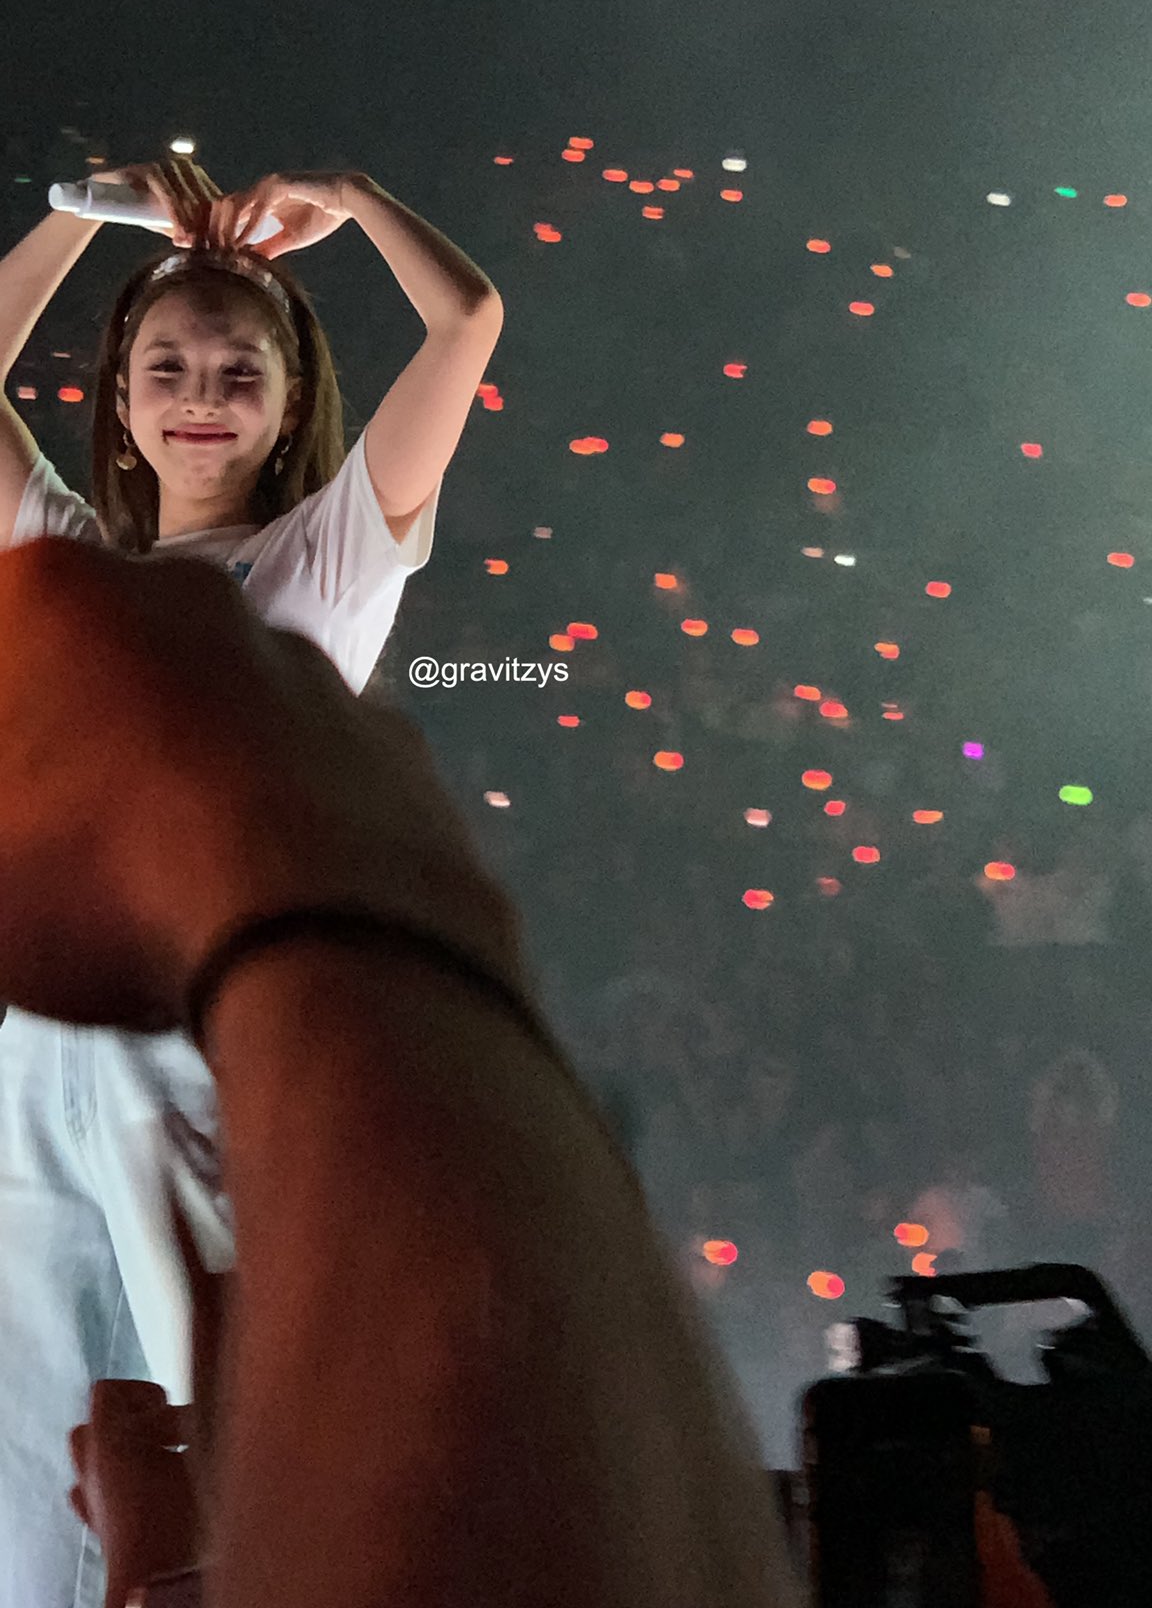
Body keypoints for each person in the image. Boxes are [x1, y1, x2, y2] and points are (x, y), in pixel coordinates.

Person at [0, 535, 802, 1607]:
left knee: (245, 1421)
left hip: (249, 1068)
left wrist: (303, 894)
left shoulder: (308, 580)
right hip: (176, 1063)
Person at [0, 154, 504, 1608]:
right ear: (118, 398)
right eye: (166, 366)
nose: (200, 395)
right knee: (31, 1481)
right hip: (34, 1059)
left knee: (232, 1450)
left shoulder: (326, 560)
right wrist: (77, 213)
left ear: (291, 404)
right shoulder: (65, 557)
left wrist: (355, 196)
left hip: (205, 1047)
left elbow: (466, 319)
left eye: (239, 370)